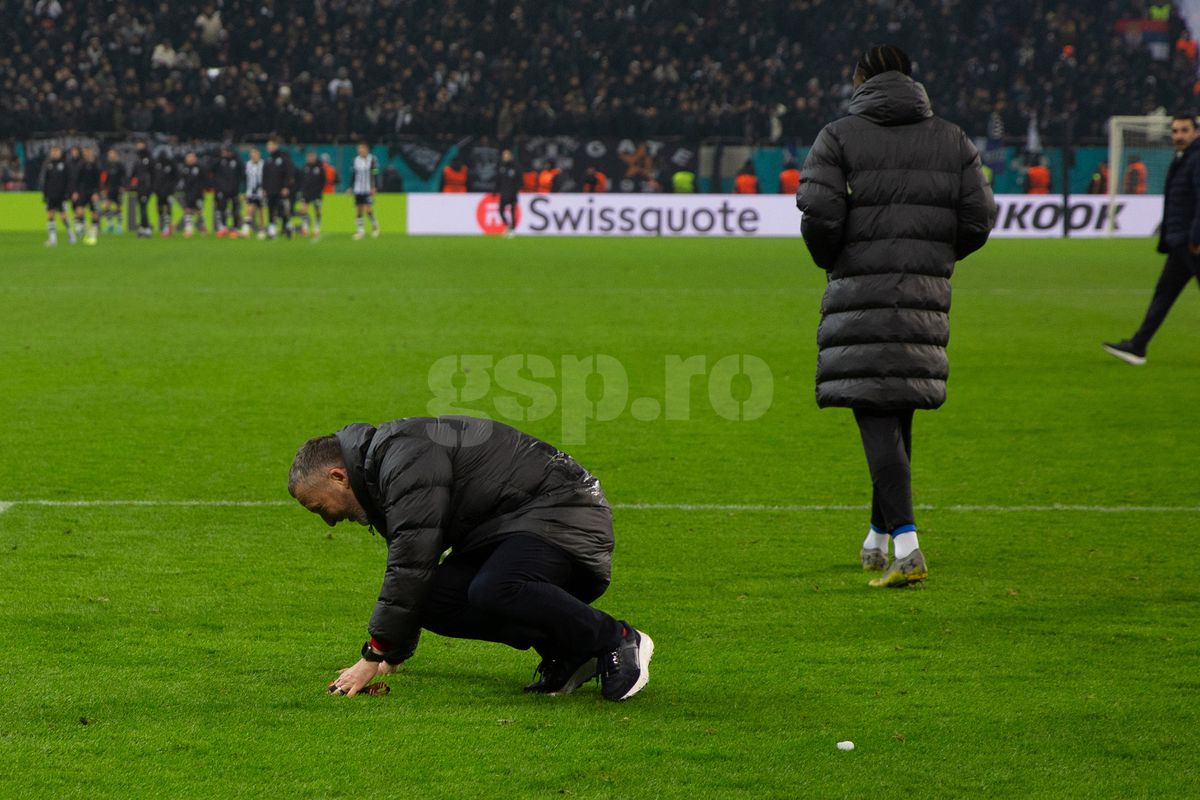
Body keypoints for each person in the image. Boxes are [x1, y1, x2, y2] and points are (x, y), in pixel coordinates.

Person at [796, 44, 995, 588]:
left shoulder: (838, 135)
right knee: (896, 403)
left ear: (860, 79)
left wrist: (835, 260)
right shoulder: (952, 138)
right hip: (924, 288)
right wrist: (935, 255)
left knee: (875, 408)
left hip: (862, 285)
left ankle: (907, 543)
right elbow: (979, 218)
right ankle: (877, 536)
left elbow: (819, 212)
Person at [288, 417, 653, 701]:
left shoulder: (403, 459)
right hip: (508, 531)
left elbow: (411, 561)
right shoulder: (380, 472)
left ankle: (617, 638)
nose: (330, 520)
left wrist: (372, 656)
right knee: (432, 598)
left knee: (495, 587)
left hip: (564, 514)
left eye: (321, 508)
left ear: (338, 476)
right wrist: (394, 651)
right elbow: (416, 572)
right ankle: (569, 651)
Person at [1104, 115, 1200, 365]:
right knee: (1164, 294)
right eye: (1175, 130)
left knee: (1164, 295)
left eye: (1184, 130)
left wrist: (1197, 236)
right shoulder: (1184, 159)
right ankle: (1138, 346)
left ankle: (1138, 345)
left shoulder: (1196, 158)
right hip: (1180, 242)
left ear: (1195, 132)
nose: (1178, 135)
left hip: (1192, 242)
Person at [40, 146, 75, 246]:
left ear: (60, 153)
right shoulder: (48, 165)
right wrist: (45, 194)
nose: (54, 153)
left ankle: (71, 234)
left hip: (61, 195)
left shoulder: (65, 164)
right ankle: (52, 239)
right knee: (50, 215)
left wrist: (68, 193)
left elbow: (69, 180)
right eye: (53, 152)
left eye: (56, 151)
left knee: (63, 217)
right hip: (51, 195)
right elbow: (45, 181)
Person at [262, 137, 295, 239]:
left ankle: (288, 225)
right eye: (268, 146)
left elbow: (289, 173)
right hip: (270, 189)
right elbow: (264, 176)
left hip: (281, 189)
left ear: (276, 146)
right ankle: (272, 231)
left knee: (282, 210)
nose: (269, 147)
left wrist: (286, 186)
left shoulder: (284, 158)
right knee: (271, 209)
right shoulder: (268, 160)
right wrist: (264, 188)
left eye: (271, 145)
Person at [350, 141, 380, 240]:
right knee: (358, 210)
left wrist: (374, 187)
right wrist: (351, 187)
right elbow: (354, 174)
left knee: (368, 209)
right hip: (358, 189)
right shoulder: (356, 160)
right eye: (359, 149)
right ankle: (360, 231)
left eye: (362, 149)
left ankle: (375, 226)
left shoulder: (372, 159)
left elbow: (375, 173)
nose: (360, 151)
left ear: (366, 149)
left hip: (368, 188)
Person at [73, 147, 101, 245]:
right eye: (86, 152)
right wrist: (75, 191)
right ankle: (82, 228)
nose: (87, 154)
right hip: (82, 192)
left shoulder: (95, 165)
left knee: (94, 214)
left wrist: (96, 192)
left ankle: (93, 236)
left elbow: (98, 181)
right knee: (79, 212)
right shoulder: (80, 164)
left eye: (89, 152)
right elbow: (76, 179)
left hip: (92, 192)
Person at [212, 145, 242, 238]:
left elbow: (242, 174)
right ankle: (223, 227)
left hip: (234, 190)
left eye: (227, 151)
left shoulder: (237, 162)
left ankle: (235, 228)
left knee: (235, 210)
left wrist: (238, 186)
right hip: (222, 190)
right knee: (221, 210)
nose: (225, 153)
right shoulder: (219, 162)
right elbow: (209, 168)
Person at [297, 151, 326, 239]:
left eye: (312, 157)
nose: (310, 158)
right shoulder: (305, 167)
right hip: (306, 192)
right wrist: (302, 189)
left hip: (316, 193)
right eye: (309, 157)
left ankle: (317, 228)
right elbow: (301, 179)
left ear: (315, 157)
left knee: (317, 210)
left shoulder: (320, 167)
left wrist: (319, 190)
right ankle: (305, 228)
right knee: (304, 210)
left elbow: (323, 180)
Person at [180, 151, 207, 238]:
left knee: (199, 211)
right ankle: (188, 229)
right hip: (188, 193)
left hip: (198, 193)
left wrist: (202, 190)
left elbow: (205, 180)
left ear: (195, 158)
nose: (190, 159)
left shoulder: (200, 168)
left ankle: (202, 228)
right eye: (189, 157)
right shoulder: (184, 169)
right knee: (187, 210)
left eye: (192, 157)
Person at [132, 141, 155, 238]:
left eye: (140, 145)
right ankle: (143, 227)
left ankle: (146, 228)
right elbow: (133, 174)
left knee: (143, 207)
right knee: (141, 207)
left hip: (146, 188)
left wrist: (151, 187)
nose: (138, 146)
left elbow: (153, 174)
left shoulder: (148, 159)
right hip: (139, 188)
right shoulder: (138, 160)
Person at [152, 149, 178, 237]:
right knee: (160, 208)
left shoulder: (171, 164)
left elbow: (176, 177)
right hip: (159, 191)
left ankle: (167, 227)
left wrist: (172, 188)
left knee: (168, 208)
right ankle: (163, 225)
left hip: (169, 191)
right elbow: (153, 176)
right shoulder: (156, 164)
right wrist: (155, 188)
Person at [101, 148, 127, 236]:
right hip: (109, 189)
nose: (111, 156)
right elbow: (104, 178)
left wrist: (123, 187)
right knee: (106, 206)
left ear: (116, 155)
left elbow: (124, 177)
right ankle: (110, 224)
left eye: (112, 154)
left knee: (118, 208)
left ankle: (119, 226)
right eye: (109, 154)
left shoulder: (120, 165)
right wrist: (103, 189)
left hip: (118, 189)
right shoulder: (106, 166)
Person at [242, 147, 265, 239]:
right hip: (251, 191)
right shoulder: (247, 165)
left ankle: (261, 230)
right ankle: (246, 229)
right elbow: (245, 179)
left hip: (261, 191)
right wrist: (244, 191)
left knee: (261, 211)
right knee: (249, 209)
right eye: (251, 153)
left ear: (259, 154)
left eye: (255, 153)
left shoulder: (263, 164)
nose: (253, 155)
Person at [496, 148, 520, 237]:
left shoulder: (515, 167)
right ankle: (508, 226)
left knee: (513, 211)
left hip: (513, 193)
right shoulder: (501, 167)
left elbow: (519, 181)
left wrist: (516, 190)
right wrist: (495, 191)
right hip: (503, 193)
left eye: (507, 155)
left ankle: (513, 229)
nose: (505, 157)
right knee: (501, 211)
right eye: (504, 155)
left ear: (510, 156)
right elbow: (498, 180)